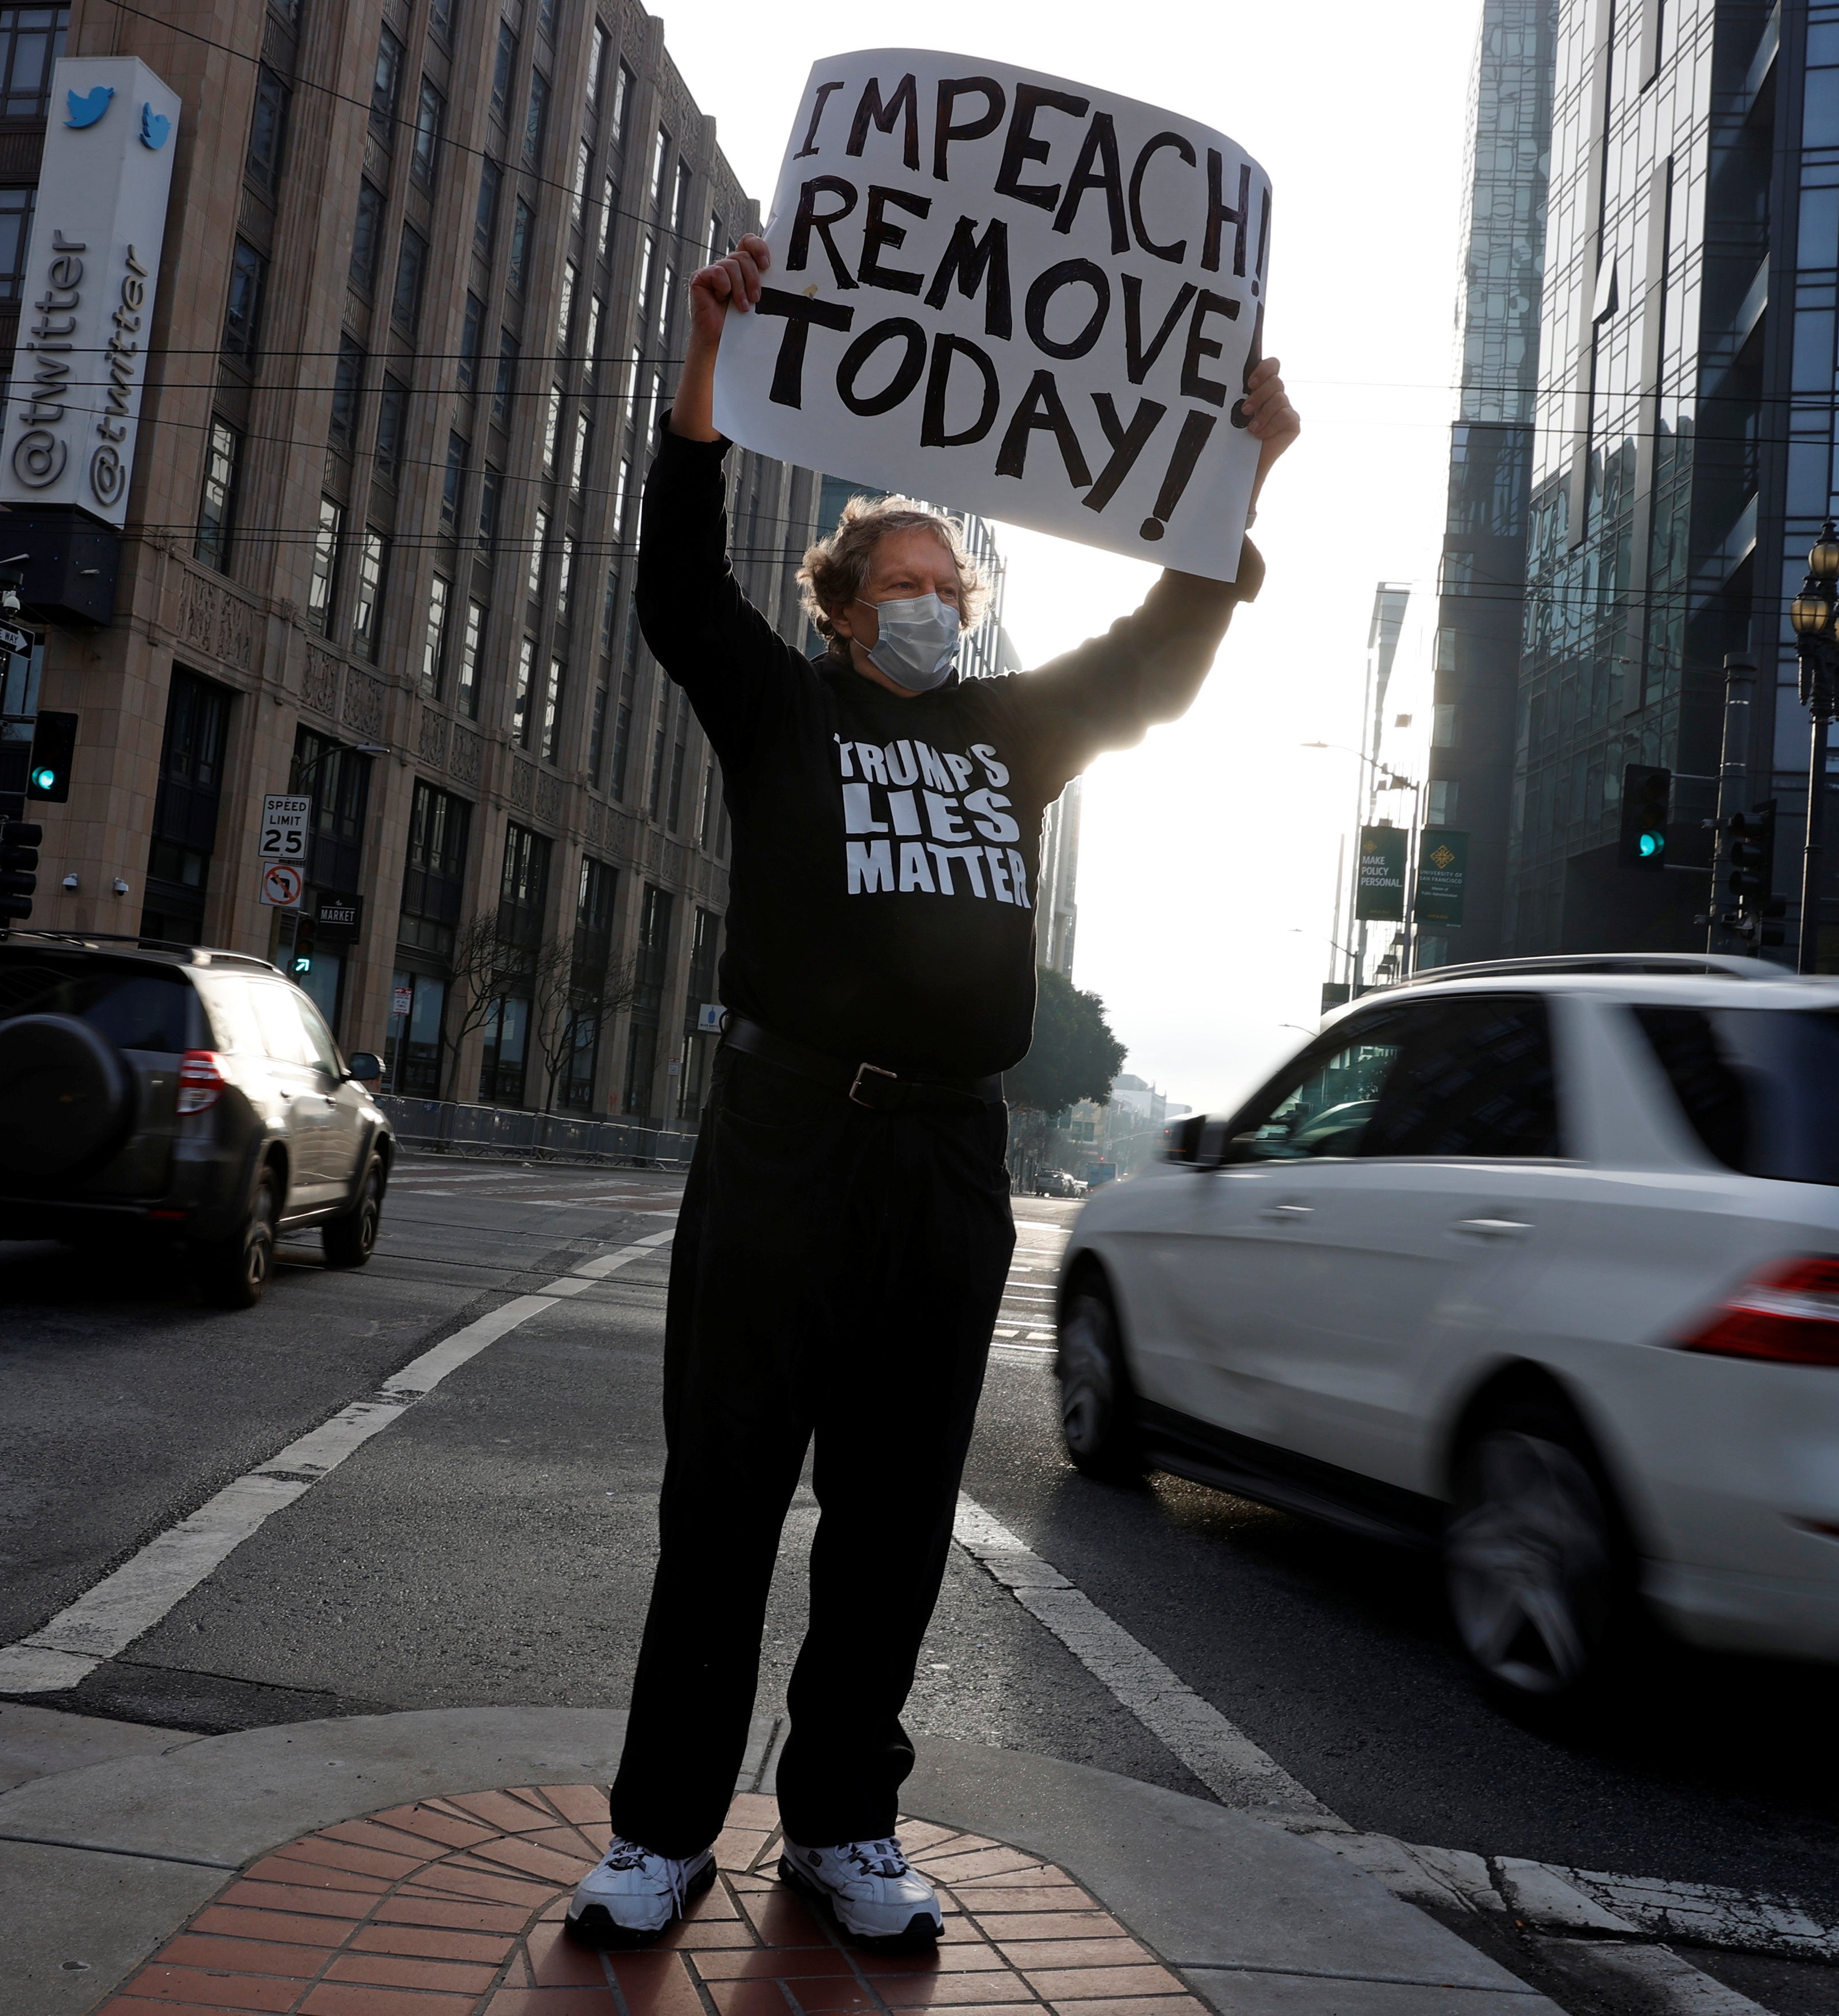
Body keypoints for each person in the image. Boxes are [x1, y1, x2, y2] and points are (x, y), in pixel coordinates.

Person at [566, 233, 1297, 1948]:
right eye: (898, 580)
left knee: (893, 1511)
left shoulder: (1002, 732)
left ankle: (841, 1823)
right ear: (834, 604)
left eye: (947, 589)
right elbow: (673, 582)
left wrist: (1242, 468)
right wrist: (703, 363)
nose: (927, 604)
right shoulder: (778, 709)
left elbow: (1153, 652)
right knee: (726, 1491)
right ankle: (661, 1828)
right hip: (783, 1139)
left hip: (943, 1161)